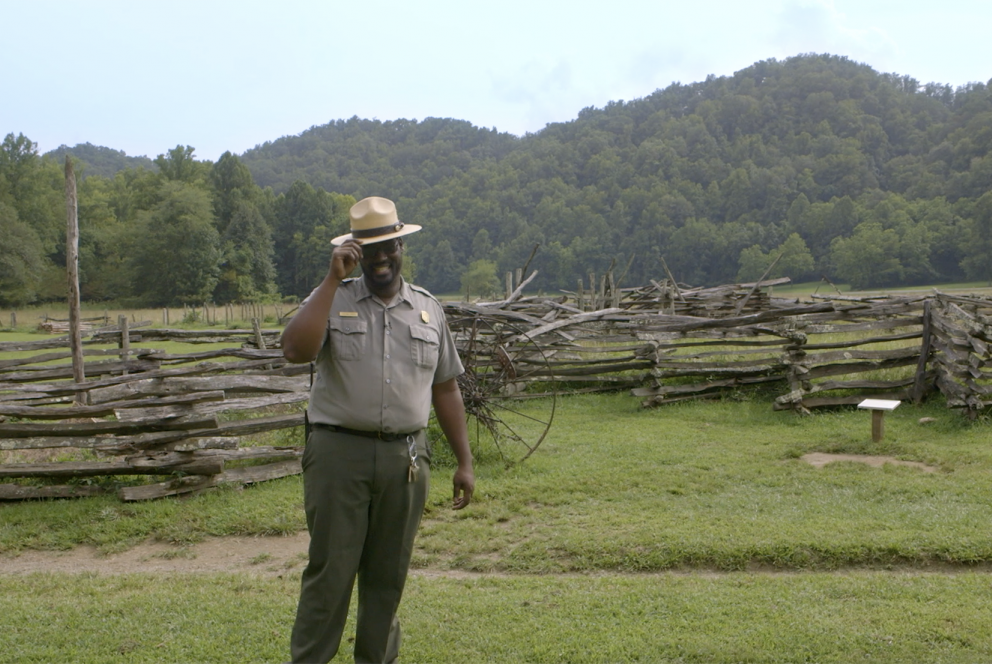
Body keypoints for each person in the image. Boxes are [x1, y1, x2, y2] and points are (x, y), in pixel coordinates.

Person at [281, 196, 475, 664]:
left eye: (390, 246)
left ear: (402, 245)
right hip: (338, 457)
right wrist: (331, 279)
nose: (382, 257)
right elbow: (294, 350)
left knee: (388, 577)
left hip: (406, 461)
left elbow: (445, 389)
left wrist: (465, 462)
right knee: (331, 573)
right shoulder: (334, 298)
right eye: (370, 249)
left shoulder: (428, 310)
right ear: (354, 252)